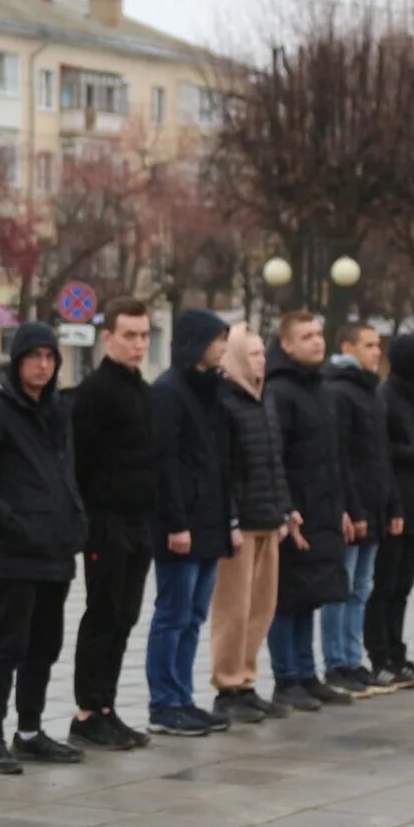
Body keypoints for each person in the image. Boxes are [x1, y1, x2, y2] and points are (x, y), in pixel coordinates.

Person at [0, 323, 88, 774]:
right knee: (8, 643)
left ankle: (30, 730)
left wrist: (76, 518)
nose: (42, 364)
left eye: (49, 357)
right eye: (33, 356)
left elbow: (68, 470)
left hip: (56, 548)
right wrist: (10, 524)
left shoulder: (58, 410)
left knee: (45, 644)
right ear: (17, 362)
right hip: (14, 550)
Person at [68, 300, 156, 750]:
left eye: (144, 335)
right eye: (130, 335)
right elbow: (79, 463)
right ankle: (86, 711)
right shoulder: (95, 393)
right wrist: (88, 522)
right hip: (106, 523)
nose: (139, 344)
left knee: (125, 615)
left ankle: (106, 706)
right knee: (103, 614)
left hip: (140, 523)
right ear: (108, 338)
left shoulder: (142, 390)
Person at [145, 310, 235, 736]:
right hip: (182, 526)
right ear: (196, 342)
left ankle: (183, 696)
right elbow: (165, 464)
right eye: (218, 339)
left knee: (195, 613)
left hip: (210, 522)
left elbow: (221, 463)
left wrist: (229, 518)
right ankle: (164, 702)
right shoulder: (168, 392)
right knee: (173, 613)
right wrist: (176, 523)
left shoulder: (214, 390)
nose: (223, 347)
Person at [261, 312, 352, 713]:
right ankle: (286, 677)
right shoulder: (281, 391)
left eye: (319, 334)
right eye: (307, 336)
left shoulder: (319, 388)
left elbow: (332, 457)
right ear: (286, 345)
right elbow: (276, 457)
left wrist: (342, 507)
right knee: (287, 597)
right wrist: (286, 510)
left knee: (310, 594)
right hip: (296, 512)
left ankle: (306, 672)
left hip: (323, 508)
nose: (317, 342)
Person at [210, 325, 287, 723]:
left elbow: (275, 461)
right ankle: (226, 684)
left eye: (262, 353)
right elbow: (226, 470)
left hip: (269, 519)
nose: (261, 360)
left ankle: (246, 679)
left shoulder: (265, 398)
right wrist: (232, 518)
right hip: (241, 526)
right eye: (253, 354)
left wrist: (285, 509)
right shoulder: (227, 401)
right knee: (233, 609)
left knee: (262, 607)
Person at [320, 323, 397, 697]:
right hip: (354, 508)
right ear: (347, 346)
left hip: (374, 504)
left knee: (361, 588)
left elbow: (381, 456)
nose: (376, 351)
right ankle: (336, 662)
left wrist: (390, 503)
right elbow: (341, 457)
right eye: (368, 345)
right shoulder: (338, 392)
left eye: (378, 345)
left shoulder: (371, 392)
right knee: (342, 587)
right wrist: (350, 508)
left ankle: (352, 658)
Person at [365, 336, 414, 689]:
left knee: (403, 586)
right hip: (395, 510)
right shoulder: (387, 399)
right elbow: (383, 455)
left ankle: (397, 652)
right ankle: (379, 655)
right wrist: (413, 452)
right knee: (385, 586)